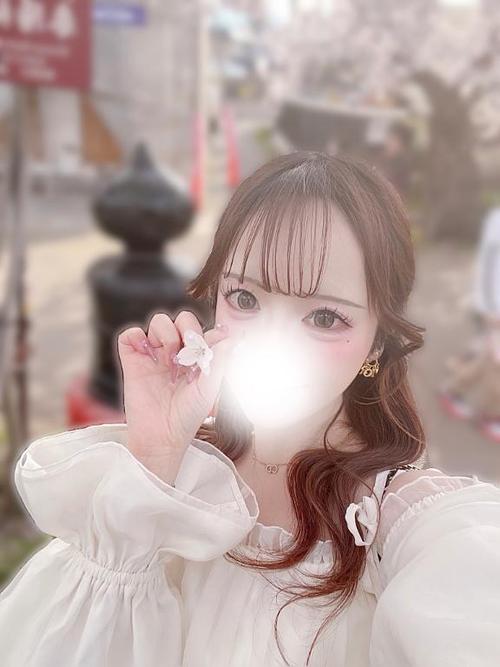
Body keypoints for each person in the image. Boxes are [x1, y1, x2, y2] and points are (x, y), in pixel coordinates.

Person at [1, 152, 500, 666]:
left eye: (324, 317)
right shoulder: (175, 479)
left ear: (377, 342)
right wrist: (154, 456)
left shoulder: (405, 523)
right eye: (244, 298)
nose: (271, 340)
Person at [439, 207, 500, 442]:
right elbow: (488, 267)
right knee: (496, 364)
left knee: (488, 358)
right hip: (494, 310)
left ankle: (452, 391)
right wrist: (489, 310)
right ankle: (492, 417)